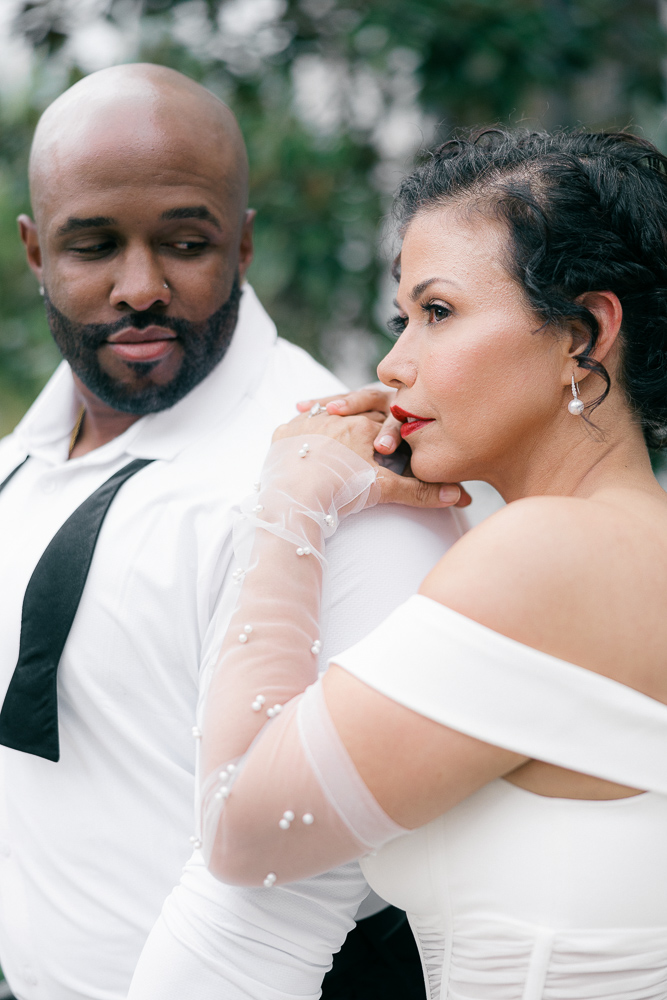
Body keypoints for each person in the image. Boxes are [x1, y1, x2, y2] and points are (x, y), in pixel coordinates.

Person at [0, 63, 468, 1000]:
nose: (140, 287)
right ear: (35, 253)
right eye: (93, 245)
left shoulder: (345, 479)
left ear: (244, 245)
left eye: (185, 242)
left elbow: (298, 882)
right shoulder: (26, 458)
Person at [197, 128, 667, 1000]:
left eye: (438, 313)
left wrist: (289, 501)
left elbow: (239, 829)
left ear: (583, 332)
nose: (391, 364)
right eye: (399, 319)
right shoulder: (627, 546)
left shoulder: (547, 557)